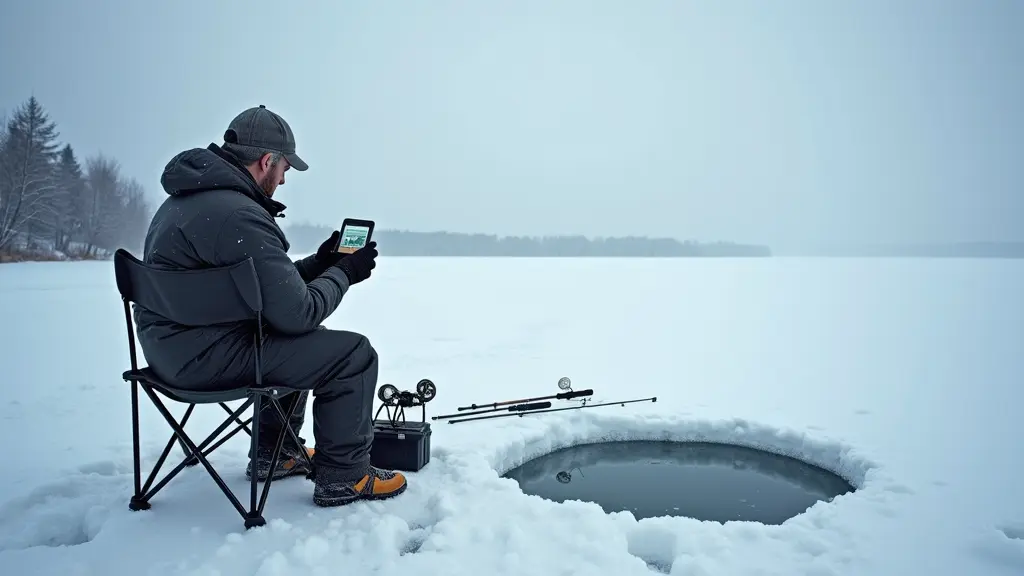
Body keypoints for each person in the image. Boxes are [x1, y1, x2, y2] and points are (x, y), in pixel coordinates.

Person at [132, 104, 407, 507]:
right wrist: (345, 272)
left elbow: (254, 289)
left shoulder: (184, 202)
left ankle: (275, 455)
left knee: (300, 340)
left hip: (171, 351)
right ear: (266, 162)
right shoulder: (239, 215)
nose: (283, 180)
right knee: (352, 353)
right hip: (205, 358)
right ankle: (344, 476)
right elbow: (297, 314)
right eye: (284, 171)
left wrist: (321, 263)